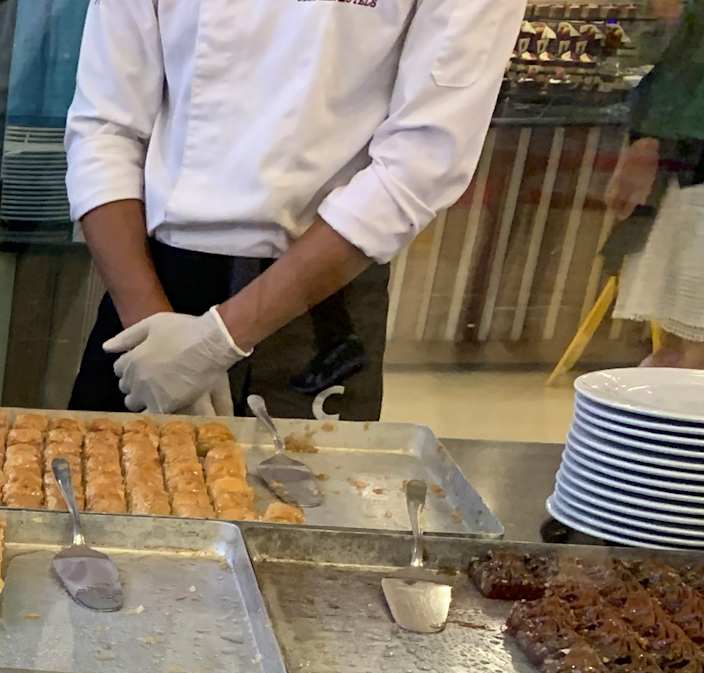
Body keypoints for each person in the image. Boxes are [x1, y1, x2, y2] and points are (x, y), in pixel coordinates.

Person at [62, 0, 526, 419]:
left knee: (299, 487)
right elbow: (105, 127)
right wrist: (150, 332)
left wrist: (217, 343)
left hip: (317, 297)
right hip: (150, 283)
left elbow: (421, 162)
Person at [607, 0, 704, 368]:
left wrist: (645, 142)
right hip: (686, 168)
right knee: (681, 350)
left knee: (687, 352)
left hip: (688, 165)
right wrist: (644, 142)